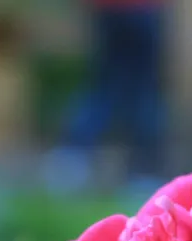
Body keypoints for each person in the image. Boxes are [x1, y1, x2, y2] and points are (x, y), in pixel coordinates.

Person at [45, 0, 169, 192]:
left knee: (105, 86)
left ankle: (72, 155)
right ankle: (143, 171)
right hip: (143, 9)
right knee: (144, 93)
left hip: (108, 10)